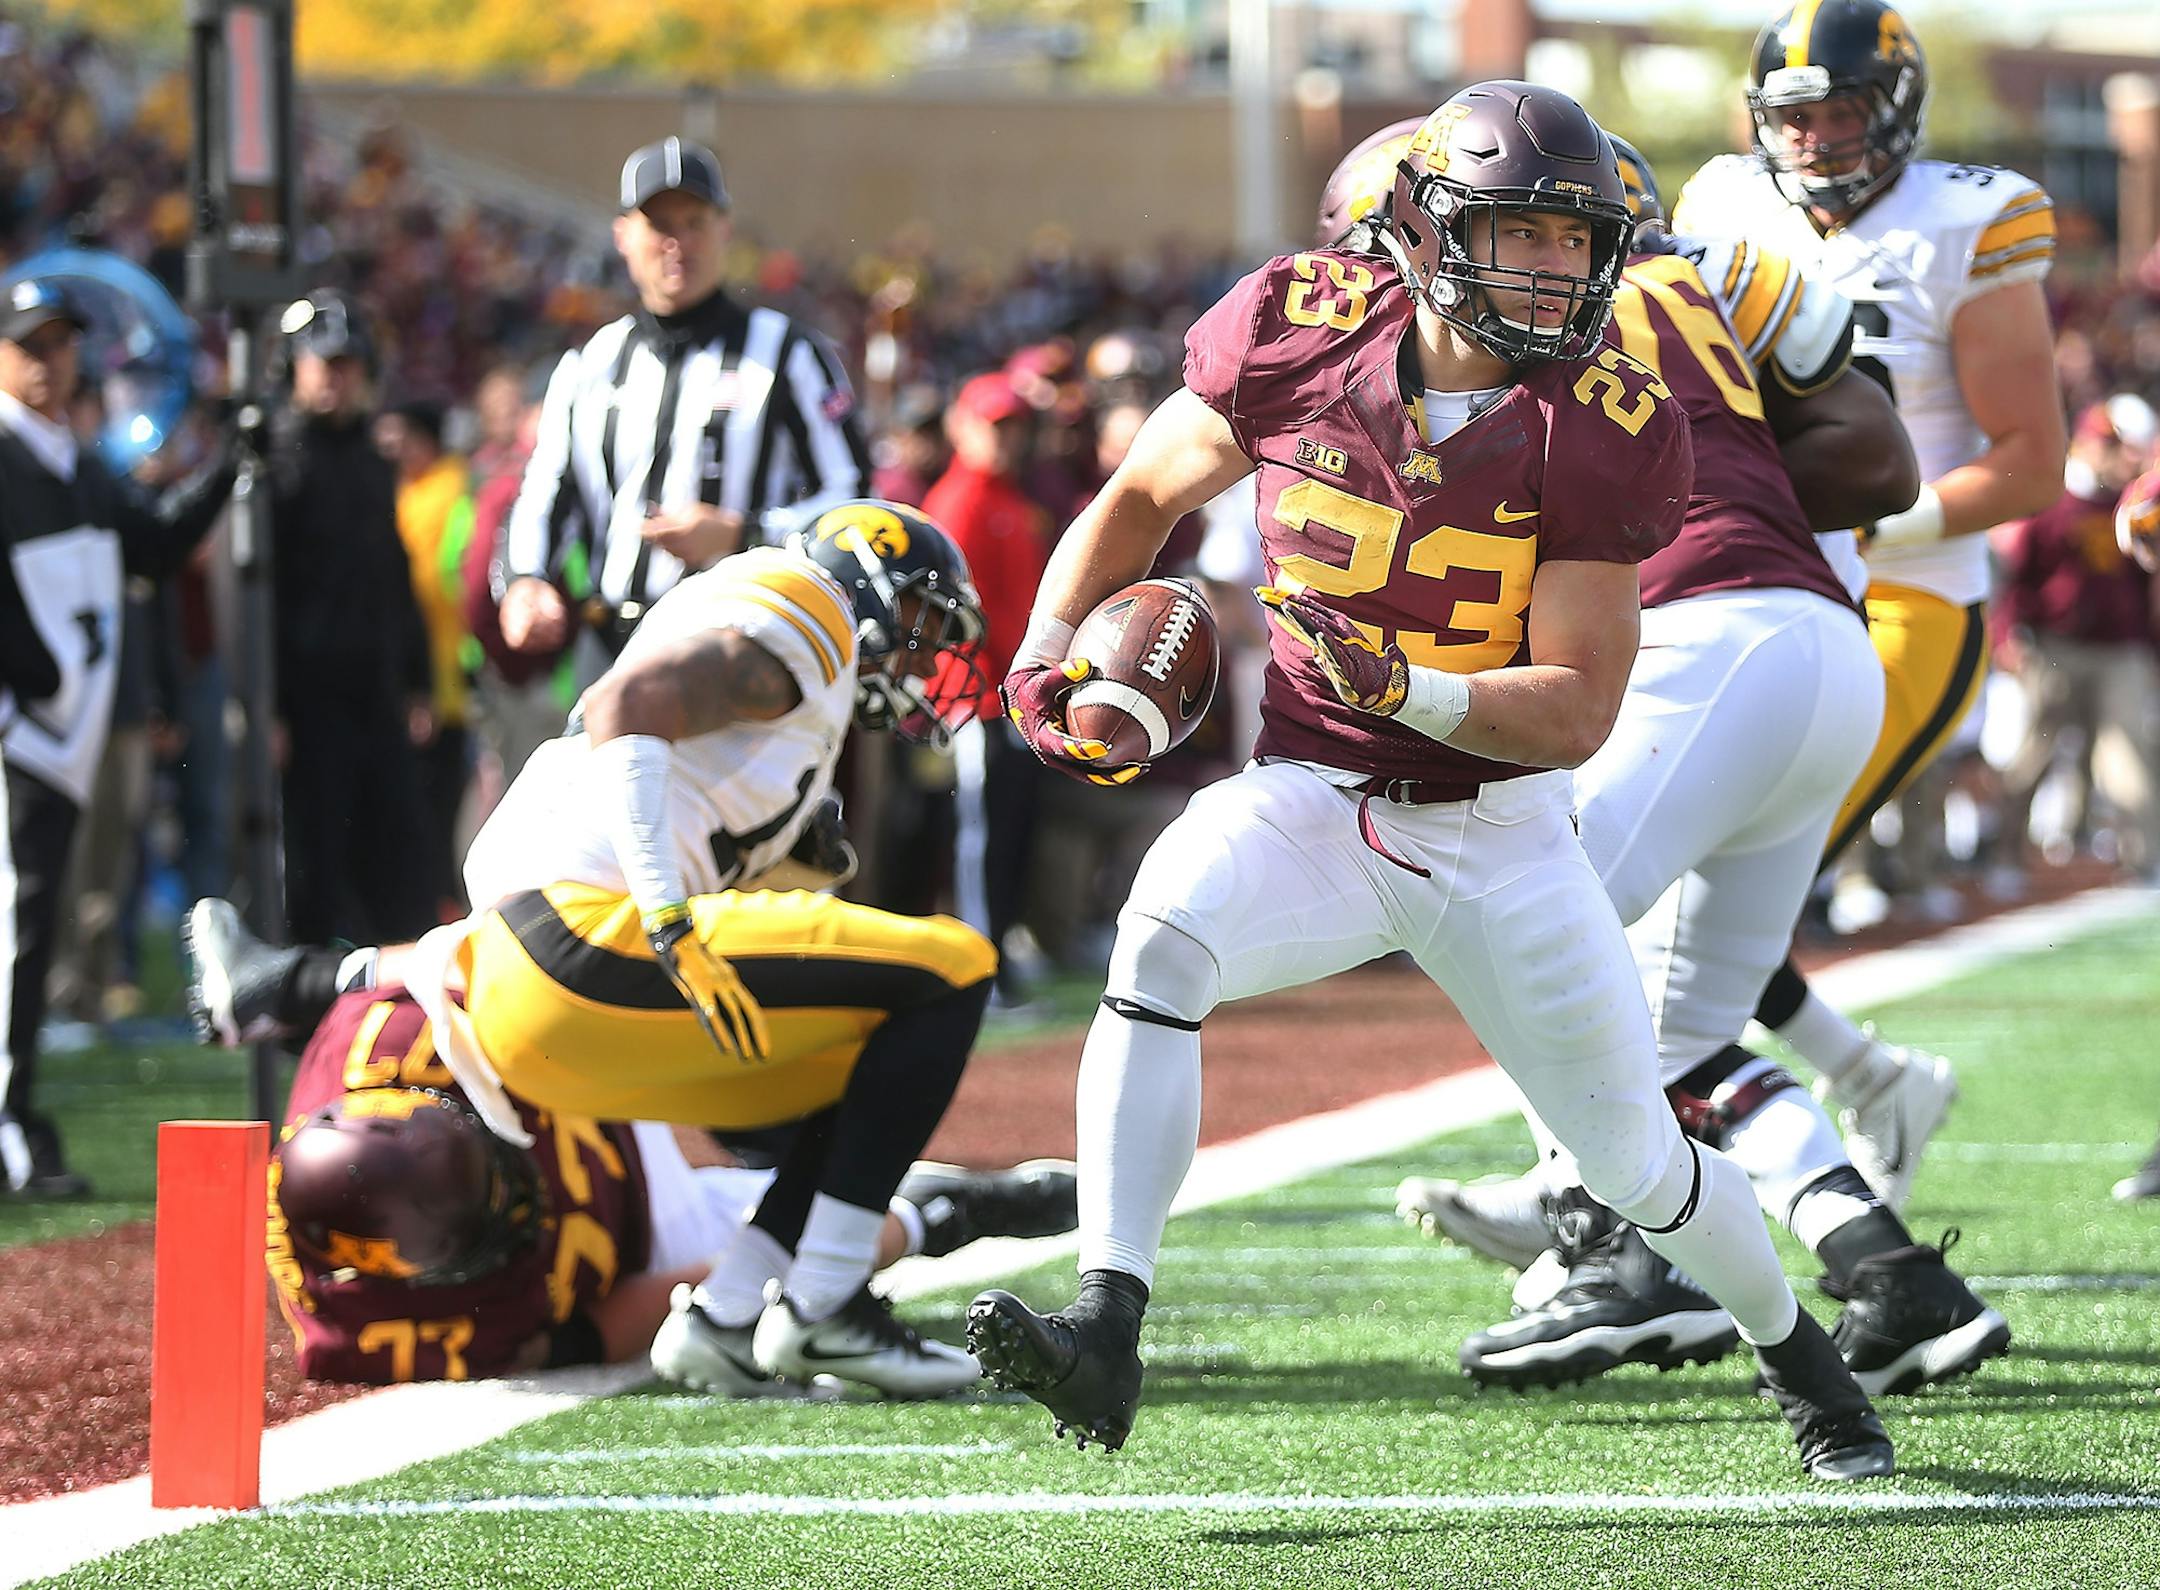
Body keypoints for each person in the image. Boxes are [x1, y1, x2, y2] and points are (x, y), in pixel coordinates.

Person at [965, 81, 1893, 1481]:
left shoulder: (1606, 413)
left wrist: (1410, 687)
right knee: (1160, 939)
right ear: (1426, 228)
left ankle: (1804, 1362)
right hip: (1316, 797)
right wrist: (1043, 655)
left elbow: (1579, 707)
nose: (1556, 270)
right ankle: (1108, 1313)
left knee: (1637, 1157)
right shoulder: (1299, 328)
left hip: (1499, 832)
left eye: (1578, 243)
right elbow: (1143, 498)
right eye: (1522, 234)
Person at [1413, 139, 2008, 1397]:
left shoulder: (1498, 319)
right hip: (1825, 645)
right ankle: (1895, 1278)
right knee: (1682, 1033)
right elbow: (1881, 461)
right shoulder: (1728, 273)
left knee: (1515, 918)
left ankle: (1610, 1247)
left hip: (1700, 642)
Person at [190, 499, 1001, 1398]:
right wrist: (664, 910)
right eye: (924, 625)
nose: (926, 661)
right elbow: (631, 703)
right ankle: (825, 1307)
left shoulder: (776, 650)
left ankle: (728, 1318)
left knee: (856, 1058)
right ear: (871, 586)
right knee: (953, 968)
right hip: (578, 947)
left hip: (529, 1004)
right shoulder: (813, 610)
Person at [1672, 0, 2067, 1209]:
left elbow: (2028, 462)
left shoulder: (1969, 218)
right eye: (1793, 115)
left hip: (1901, 600)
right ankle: (1863, 1078)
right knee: (1669, 887)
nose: (1817, 138)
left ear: (1893, 108)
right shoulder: (1718, 206)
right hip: (1749, 586)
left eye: (1841, 111)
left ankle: (1626, 1223)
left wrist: (1858, 518)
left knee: (1691, 915)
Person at [267, 985, 1076, 1384]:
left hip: (595, 1089)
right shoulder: (373, 1325)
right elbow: (595, 1329)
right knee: (829, 1241)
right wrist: (741, 1279)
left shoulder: (392, 1040)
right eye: (488, 1210)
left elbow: (466, 952)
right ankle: (941, 1212)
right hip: (639, 1242)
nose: (516, 1196)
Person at [1, 278, 234, 1197]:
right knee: (15, 930)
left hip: (56, 738)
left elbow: (158, 541)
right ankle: (12, 1124)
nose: (45, 361)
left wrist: (226, 464)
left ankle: (17, 1116)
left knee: (30, 925)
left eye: (59, 343)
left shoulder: (76, 461)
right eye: (27, 343)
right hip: (24, 733)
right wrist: (35, 674)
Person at [497, 138, 871, 679]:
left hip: (745, 651)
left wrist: (745, 535)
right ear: (624, 236)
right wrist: (525, 582)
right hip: (615, 648)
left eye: (695, 222)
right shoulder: (590, 363)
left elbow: (853, 498)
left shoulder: (790, 355)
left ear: (725, 229)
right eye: (661, 225)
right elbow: (545, 491)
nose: (679, 243)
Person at [268, 291, 438, 947]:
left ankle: (403, 1016)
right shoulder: (278, 461)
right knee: (314, 870)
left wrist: (417, 678)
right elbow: (261, 597)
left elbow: (395, 579)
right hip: (310, 703)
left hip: (376, 694)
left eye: (349, 364)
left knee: (402, 857)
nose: (337, 376)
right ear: (294, 368)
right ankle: (303, 1028)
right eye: (324, 363)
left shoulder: (371, 461)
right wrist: (270, 708)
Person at [1992, 397, 2160, 884]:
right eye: (2112, 446)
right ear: (2087, 443)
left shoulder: (2130, 504)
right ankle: (2005, 853)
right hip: (2057, 646)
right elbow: (2017, 577)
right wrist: (2009, 635)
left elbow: (2143, 584)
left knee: (2127, 751)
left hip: (2119, 648)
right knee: (2036, 752)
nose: (2122, 458)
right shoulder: (2050, 501)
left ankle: (2145, 858)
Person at [923, 371, 1052, 1001]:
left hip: (1009, 697)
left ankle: (996, 958)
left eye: (1014, 427)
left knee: (1006, 836)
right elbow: (964, 614)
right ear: (962, 427)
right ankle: (980, 974)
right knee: (979, 840)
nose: (1005, 439)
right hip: (975, 699)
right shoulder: (961, 502)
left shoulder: (1006, 500)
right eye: (992, 425)